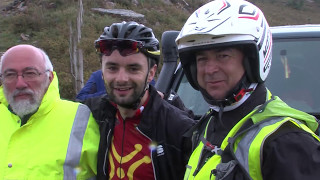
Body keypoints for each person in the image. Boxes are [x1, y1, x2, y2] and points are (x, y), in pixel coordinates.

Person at [175, 0, 320, 179]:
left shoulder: (286, 141)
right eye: (202, 59)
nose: (210, 69)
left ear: (252, 61)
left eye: (223, 56)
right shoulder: (208, 126)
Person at [84, 21, 195, 179]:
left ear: (151, 73)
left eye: (133, 68)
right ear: (102, 71)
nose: (121, 78)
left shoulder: (180, 131)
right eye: (112, 68)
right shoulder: (92, 114)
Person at [0, 44, 100, 179]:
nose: (20, 84)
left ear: (50, 77)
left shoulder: (82, 118)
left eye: (30, 73)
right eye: (10, 75)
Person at [76, 70, 156, 101]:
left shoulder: (143, 75)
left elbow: (153, 97)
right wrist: (110, 93)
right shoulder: (97, 76)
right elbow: (80, 99)